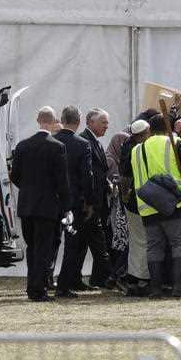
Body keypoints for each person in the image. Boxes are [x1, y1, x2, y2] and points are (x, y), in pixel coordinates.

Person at [131, 114, 181, 298]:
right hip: (175, 203)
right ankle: (179, 287)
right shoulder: (176, 143)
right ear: (170, 126)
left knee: (153, 247)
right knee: (180, 244)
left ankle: (156, 289)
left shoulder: (137, 149)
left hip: (147, 206)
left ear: (150, 130)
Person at [10, 106, 72, 302]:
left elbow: (15, 176)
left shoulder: (22, 146)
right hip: (47, 206)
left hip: (27, 205)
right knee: (44, 249)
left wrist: (28, 190)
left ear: (38, 120)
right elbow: (62, 181)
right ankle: (38, 289)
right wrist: (66, 205)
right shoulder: (57, 147)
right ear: (54, 122)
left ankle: (32, 286)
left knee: (32, 248)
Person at [53, 106, 97, 297]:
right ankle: (64, 283)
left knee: (49, 244)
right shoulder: (81, 144)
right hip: (73, 203)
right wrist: (89, 201)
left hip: (51, 202)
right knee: (73, 245)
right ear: (78, 121)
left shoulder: (51, 141)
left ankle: (44, 280)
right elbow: (87, 176)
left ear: (61, 120)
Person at [80, 108, 116, 288]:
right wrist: (91, 202)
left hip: (99, 200)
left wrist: (107, 183)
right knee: (96, 242)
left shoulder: (96, 141)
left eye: (107, 122)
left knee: (93, 242)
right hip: (90, 203)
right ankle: (104, 277)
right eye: (103, 122)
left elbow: (99, 172)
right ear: (90, 122)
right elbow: (88, 175)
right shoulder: (85, 141)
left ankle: (98, 277)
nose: (107, 126)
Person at [118, 119, 152, 296]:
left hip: (131, 201)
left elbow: (123, 177)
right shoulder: (143, 149)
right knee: (144, 241)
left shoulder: (127, 147)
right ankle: (142, 280)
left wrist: (124, 196)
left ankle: (133, 278)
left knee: (136, 241)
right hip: (144, 200)